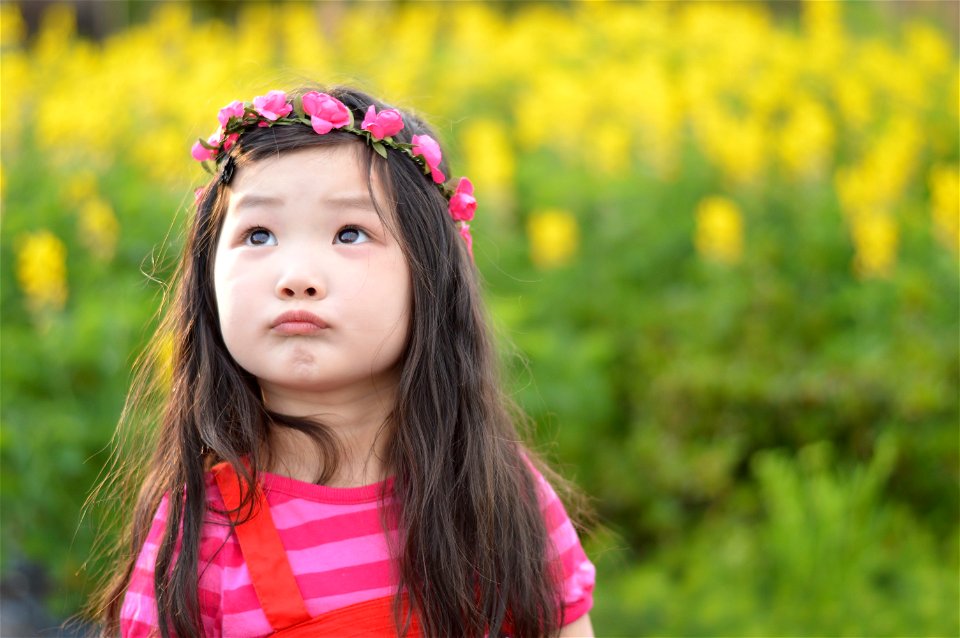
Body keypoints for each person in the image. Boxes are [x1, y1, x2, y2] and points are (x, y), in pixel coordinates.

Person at [92, 85, 595, 637]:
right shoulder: (201, 534)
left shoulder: (496, 495)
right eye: (258, 234)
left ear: (431, 277)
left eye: (349, 233)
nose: (297, 277)